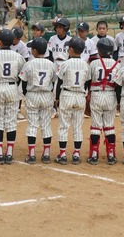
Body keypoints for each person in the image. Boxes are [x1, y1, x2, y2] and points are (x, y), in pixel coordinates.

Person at [0, 29, 26, 165]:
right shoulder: (18, 56)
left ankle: (0, 153)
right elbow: (21, 75)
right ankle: (9, 153)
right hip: (12, 87)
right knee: (11, 121)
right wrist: (14, 85)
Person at [54, 37, 91, 165]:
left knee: (64, 126)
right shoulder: (86, 65)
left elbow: (59, 81)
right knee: (77, 127)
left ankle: (63, 154)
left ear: (70, 49)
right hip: (80, 96)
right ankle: (76, 154)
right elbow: (87, 83)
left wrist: (57, 98)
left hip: (67, 94)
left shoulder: (65, 64)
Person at [20, 37, 57, 164]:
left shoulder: (28, 64)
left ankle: (31, 155)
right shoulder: (52, 65)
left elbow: (24, 83)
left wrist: (27, 94)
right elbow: (53, 80)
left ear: (35, 50)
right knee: (46, 125)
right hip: (47, 95)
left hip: (33, 95)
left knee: (32, 125)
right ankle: (46, 154)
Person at [87, 38, 120, 165]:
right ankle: (111, 155)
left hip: (96, 95)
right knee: (109, 126)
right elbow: (118, 84)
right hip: (110, 95)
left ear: (99, 50)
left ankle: (94, 155)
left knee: (95, 126)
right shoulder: (117, 64)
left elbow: (88, 80)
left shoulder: (94, 63)